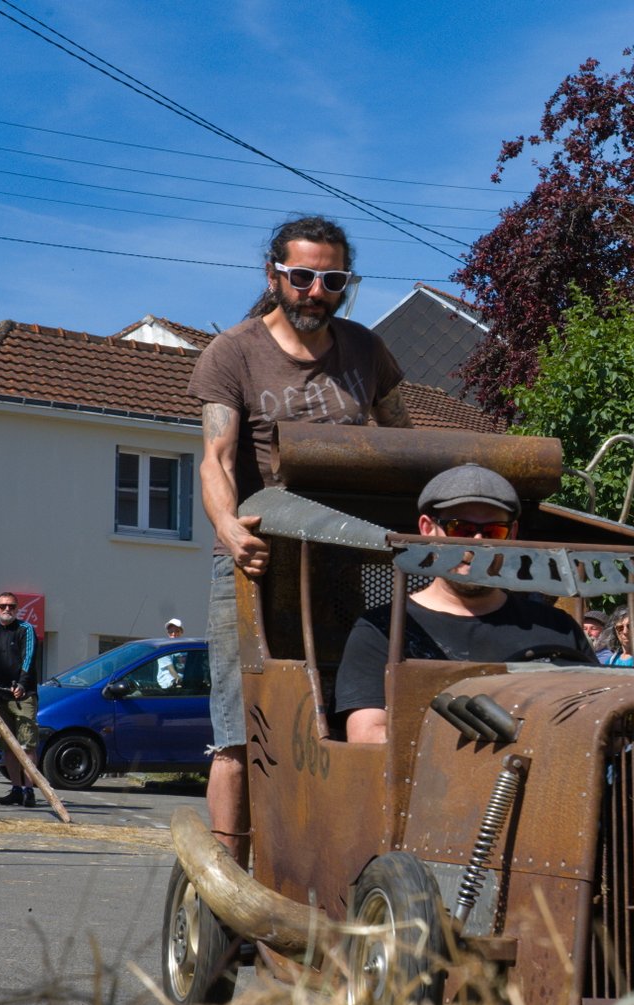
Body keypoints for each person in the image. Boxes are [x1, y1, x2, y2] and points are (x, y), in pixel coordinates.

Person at [188, 215, 412, 865]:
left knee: (349, 718)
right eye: (303, 276)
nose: (316, 291)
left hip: (347, 567)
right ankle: (229, 889)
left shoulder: (367, 354)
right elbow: (216, 460)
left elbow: (406, 449)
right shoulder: (232, 353)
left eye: (333, 279)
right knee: (240, 732)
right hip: (255, 565)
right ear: (274, 276)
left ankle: (335, 864)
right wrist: (229, 529)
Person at [335, 464, 595, 744]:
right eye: (461, 528)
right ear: (427, 529)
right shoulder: (382, 630)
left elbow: (600, 723)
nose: (477, 543)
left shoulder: (557, 629)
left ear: (512, 534)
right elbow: (366, 735)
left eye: (494, 531)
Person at [0, 592, 42, 807]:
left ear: (17, 609)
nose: (7, 610)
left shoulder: (26, 630)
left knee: (26, 744)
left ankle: (28, 789)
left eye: (11, 606)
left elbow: (29, 658)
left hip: (23, 696)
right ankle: (16, 788)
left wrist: (22, 684)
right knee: (8, 746)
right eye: (3, 606)